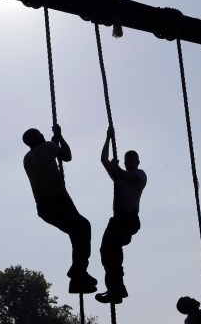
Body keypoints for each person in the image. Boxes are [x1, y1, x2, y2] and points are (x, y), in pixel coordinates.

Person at [22, 124, 97, 294]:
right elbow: (67, 156)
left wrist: (53, 142)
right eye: (41, 134)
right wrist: (59, 136)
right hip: (59, 201)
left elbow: (46, 159)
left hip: (44, 208)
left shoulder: (27, 158)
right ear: (38, 138)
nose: (43, 135)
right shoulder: (48, 147)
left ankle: (79, 275)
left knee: (77, 232)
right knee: (83, 227)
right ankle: (78, 273)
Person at [96, 127, 147, 304]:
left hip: (128, 219)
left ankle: (116, 289)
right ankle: (116, 289)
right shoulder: (118, 175)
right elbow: (103, 160)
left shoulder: (140, 175)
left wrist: (117, 167)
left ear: (137, 162)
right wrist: (108, 138)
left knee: (110, 251)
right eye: (128, 161)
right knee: (109, 252)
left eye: (132, 161)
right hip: (119, 219)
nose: (130, 163)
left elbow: (128, 178)